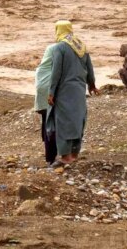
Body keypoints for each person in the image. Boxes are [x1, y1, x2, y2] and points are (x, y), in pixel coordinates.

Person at [46, 20, 98, 165]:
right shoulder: (81, 46)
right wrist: (92, 85)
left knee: (62, 123)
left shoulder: (59, 47)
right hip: (79, 90)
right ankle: (75, 154)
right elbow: (90, 68)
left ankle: (65, 156)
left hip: (64, 91)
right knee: (77, 121)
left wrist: (51, 92)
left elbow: (56, 72)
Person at [33, 45, 57, 165]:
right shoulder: (54, 70)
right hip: (50, 101)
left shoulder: (41, 69)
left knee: (46, 125)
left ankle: (49, 157)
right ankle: (51, 158)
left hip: (42, 103)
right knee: (52, 127)